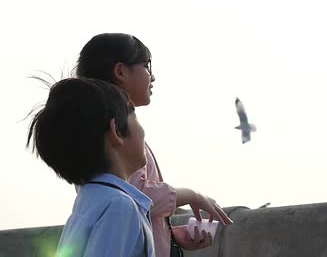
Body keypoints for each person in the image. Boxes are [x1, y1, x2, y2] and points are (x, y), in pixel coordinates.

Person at [75, 33, 233, 256]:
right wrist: (193, 195)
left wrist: (170, 235)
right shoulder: (118, 142)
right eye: (146, 65)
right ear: (120, 71)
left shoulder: (96, 135)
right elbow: (140, 197)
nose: (153, 76)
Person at [26, 78, 155, 256]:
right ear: (116, 131)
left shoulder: (90, 199)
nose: (143, 130)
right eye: (133, 116)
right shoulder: (119, 206)